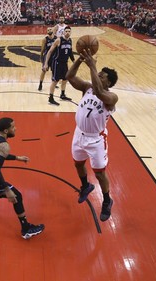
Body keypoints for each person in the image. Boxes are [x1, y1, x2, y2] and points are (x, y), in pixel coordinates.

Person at [65, 48, 119, 222]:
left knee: (100, 173)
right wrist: (79, 61)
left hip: (96, 139)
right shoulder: (88, 88)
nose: (99, 76)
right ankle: (85, 186)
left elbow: (100, 91)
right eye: (99, 74)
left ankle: (107, 200)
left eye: (103, 76)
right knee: (78, 164)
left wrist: (93, 67)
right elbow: (70, 77)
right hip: (79, 134)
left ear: (108, 82)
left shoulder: (111, 97)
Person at [43, 26, 75, 105]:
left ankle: (62, 94)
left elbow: (70, 53)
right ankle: (51, 98)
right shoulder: (59, 40)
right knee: (55, 81)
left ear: (70, 32)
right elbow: (50, 52)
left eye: (69, 31)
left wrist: (74, 62)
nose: (67, 32)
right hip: (57, 63)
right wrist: (46, 63)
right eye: (66, 31)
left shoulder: (70, 41)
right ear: (63, 32)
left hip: (65, 63)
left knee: (65, 79)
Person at [38, 27, 57, 91]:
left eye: (50, 29)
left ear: (53, 30)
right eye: (48, 30)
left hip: (54, 56)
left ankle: (53, 83)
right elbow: (42, 49)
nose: (49, 30)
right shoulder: (45, 39)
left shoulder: (56, 38)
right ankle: (40, 84)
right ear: (47, 32)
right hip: (47, 57)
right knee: (44, 70)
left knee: (54, 71)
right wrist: (41, 57)